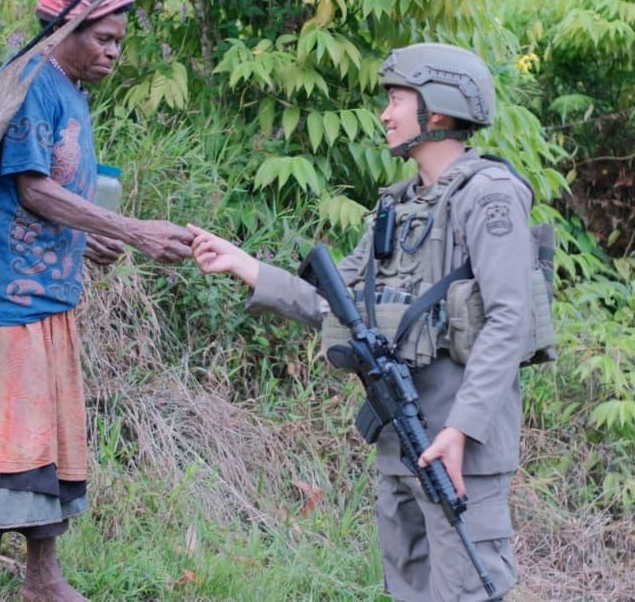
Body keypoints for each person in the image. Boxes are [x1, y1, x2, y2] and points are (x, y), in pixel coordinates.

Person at [190, 43, 534, 601]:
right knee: (408, 586)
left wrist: (460, 430)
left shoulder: (489, 197)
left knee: (467, 590)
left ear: (438, 110)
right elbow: (335, 303)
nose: (386, 113)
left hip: (459, 442)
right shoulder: (395, 207)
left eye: (398, 98)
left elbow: (509, 322)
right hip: (401, 437)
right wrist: (247, 267)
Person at [0, 0, 193, 602]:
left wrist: (90, 235)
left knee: (47, 438)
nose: (113, 52)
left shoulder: (70, 90)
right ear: (68, 25)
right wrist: (133, 229)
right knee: (3, 440)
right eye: (104, 37)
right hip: (1, 300)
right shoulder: (30, 82)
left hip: (47, 298)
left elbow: (51, 197)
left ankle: (42, 577)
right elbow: (32, 188)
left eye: (120, 42)